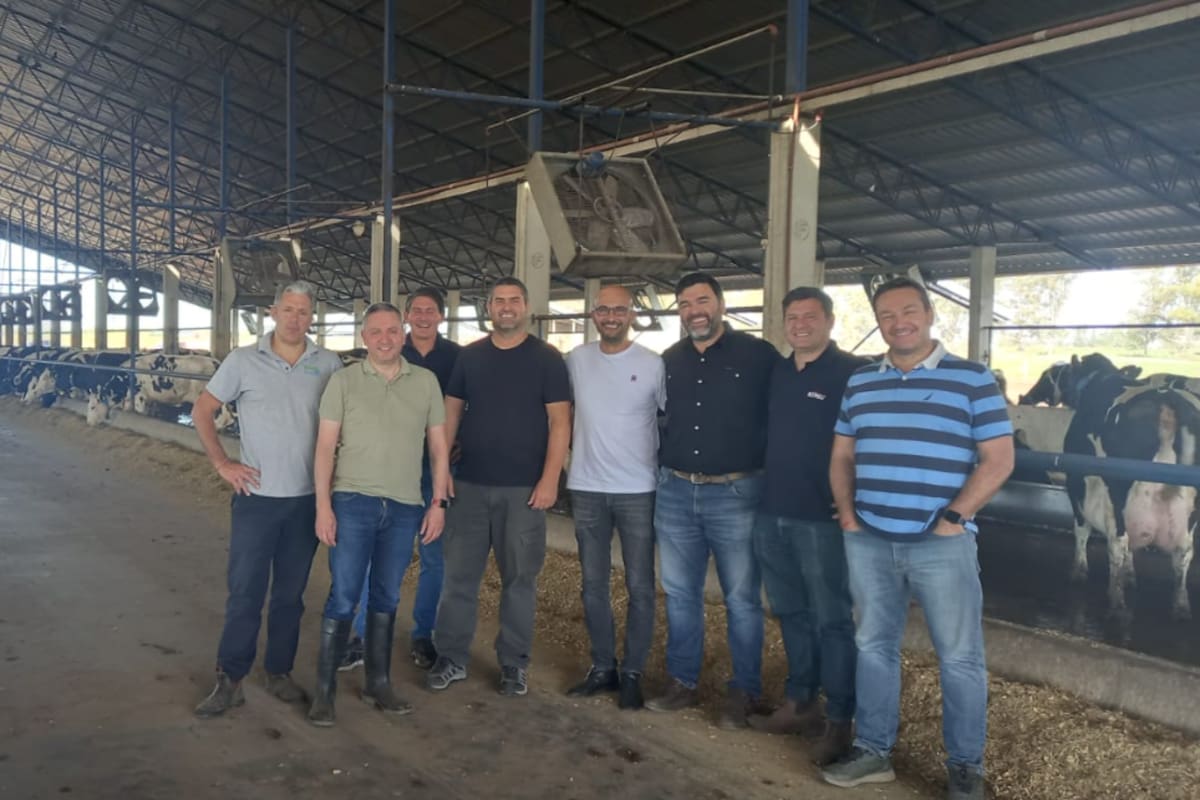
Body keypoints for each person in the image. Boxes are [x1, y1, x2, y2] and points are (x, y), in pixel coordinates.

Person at [823, 277, 1013, 800]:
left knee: (959, 656)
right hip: (868, 537)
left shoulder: (972, 379)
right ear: (878, 323)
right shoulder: (862, 382)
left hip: (942, 542)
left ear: (930, 315)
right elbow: (842, 454)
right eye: (886, 314)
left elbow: (999, 459)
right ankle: (874, 751)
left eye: (909, 311)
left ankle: (966, 766)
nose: (898, 321)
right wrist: (846, 513)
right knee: (873, 644)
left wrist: (955, 516)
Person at [192, 281, 344, 718]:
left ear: (312, 317)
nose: (296, 318)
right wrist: (222, 463)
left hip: (306, 501)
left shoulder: (328, 363)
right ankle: (230, 678)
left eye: (304, 311)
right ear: (273, 312)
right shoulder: (243, 360)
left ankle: (279, 671)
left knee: (290, 595)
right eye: (289, 310)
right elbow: (203, 410)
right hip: (256, 499)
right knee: (245, 592)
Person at [307, 302, 451, 726]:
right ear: (365, 337)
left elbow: (439, 449)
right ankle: (325, 691)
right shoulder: (344, 381)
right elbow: (323, 448)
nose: (385, 339)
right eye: (376, 332)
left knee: (388, 595)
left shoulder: (425, 382)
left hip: (406, 505)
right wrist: (322, 506)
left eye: (392, 331)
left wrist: (438, 503)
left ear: (403, 336)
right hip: (352, 502)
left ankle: (378, 682)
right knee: (345, 595)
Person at [427, 276, 571, 697]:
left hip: (524, 491)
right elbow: (450, 415)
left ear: (525, 306)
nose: (506, 307)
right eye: (498, 301)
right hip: (469, 485)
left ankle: (513, 664)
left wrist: (549, 480)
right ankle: (451, 658)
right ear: (487, 308)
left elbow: (560, 421)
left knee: (519, 581)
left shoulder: (547, 359)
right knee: (459, 579)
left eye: (514, 300)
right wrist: (443, 470)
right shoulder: (470, 358)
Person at [647, 272, 779, 729]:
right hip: (676, 489)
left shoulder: (760, 356)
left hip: (737, 492)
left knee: (741, 597)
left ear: (721, 304)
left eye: (702, 300)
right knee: (681, 593)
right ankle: (682, 681)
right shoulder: (668, 360)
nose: (694, 310)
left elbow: (783, 418)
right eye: (684, 303)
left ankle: (744, 690)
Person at [748, 287, 870, 765]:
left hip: (822, 517)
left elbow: (865, 443)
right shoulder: (777, 372)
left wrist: (849, 505)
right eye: (792, 317)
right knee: (790, 611)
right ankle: (800, 701)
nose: (800, 325)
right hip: (771, 509)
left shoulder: (852, 374)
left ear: (830, 322)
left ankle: (840, 719)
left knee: (832, 618)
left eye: (810, 317)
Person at [340, 287, 462, 673]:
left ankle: (423, 634)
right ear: (407, 317)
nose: (424, 316)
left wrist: (449, 467)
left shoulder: (458, 358)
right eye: (417, 310)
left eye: (431, 310)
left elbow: (467, 408)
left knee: (432, 556)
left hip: (436, 470)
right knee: (377, 552)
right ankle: (362, 635)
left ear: (442, 317)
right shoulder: (391, 350)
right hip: (391, 468)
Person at [564, 285, 665, 710]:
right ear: (592, 314)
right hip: (586, 486)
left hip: (638, 489)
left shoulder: (653, 364)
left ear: (631, 315)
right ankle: (603, 665)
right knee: (593, 584)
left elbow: (669, 419)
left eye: (619, 309)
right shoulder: (575, 361)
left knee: (640, 584)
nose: (611, 316)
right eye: (603, 308)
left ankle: (633, 672)